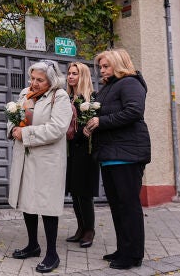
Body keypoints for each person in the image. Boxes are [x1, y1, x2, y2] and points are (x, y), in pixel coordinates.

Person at [84, 49, 151, 270]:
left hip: (127, 154)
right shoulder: (108, 87)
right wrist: (91, 124)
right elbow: (103, 116)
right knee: (116, 206)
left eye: (106, 66)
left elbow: (134, 111)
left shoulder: (130, 83)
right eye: (100, 67)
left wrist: (101, 122)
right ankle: (123, 248)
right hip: (110, 154)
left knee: (129, 206)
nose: (102, 70)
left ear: (119, 63)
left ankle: (134, 255)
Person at [8, 60, 72, 274]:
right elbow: (13, 117)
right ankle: (33, 245)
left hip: (47, 160)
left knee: (46, 204)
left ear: (51, 81)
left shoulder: (59, 96)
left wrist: (24, 134)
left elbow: (57, 128)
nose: (33, 83)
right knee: (27, 201)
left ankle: (52, 254)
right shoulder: (25, 93)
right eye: (32, 78)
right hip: (25, 157)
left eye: (39, 80)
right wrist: (13, 129)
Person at [65, 62, 100, 248]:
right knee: (74, 192)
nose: (70, 77)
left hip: (86, 152)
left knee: (85, 193)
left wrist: (78, 133)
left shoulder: (92, 99)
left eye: (74, 74)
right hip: (71, 150)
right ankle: (80, 228)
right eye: (69, 73)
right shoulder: (68, 97)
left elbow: (91, 128)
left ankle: (89, 231)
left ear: (83, 76)